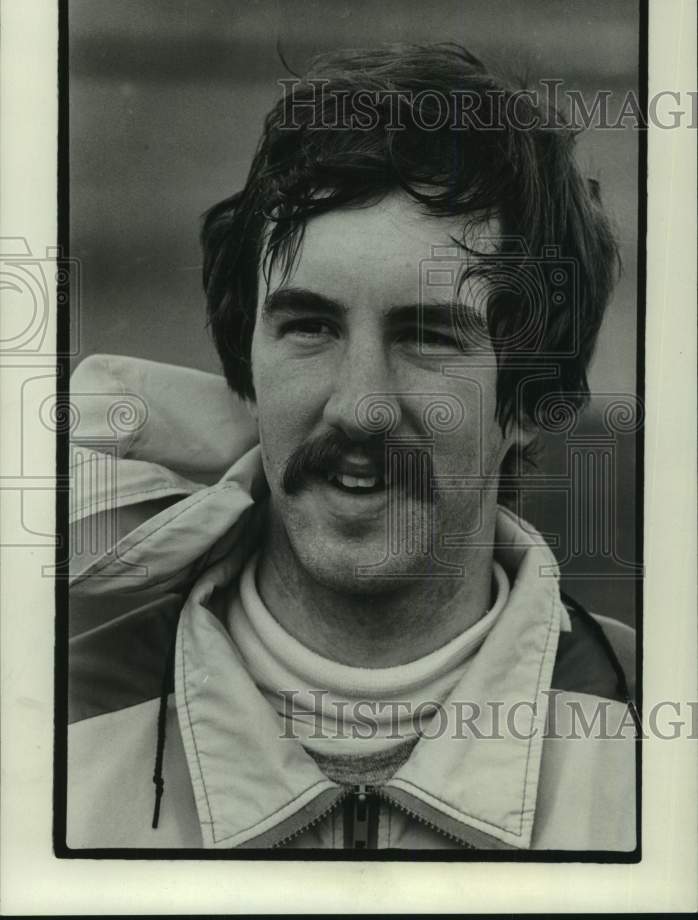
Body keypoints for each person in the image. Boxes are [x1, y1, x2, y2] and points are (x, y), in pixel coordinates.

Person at [67, 44, 637, 851]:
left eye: (430, 335)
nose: (362, 406)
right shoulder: (51, 725)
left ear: (531, 402)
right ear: (248, 358)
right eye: (310, 326)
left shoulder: (654, 738)